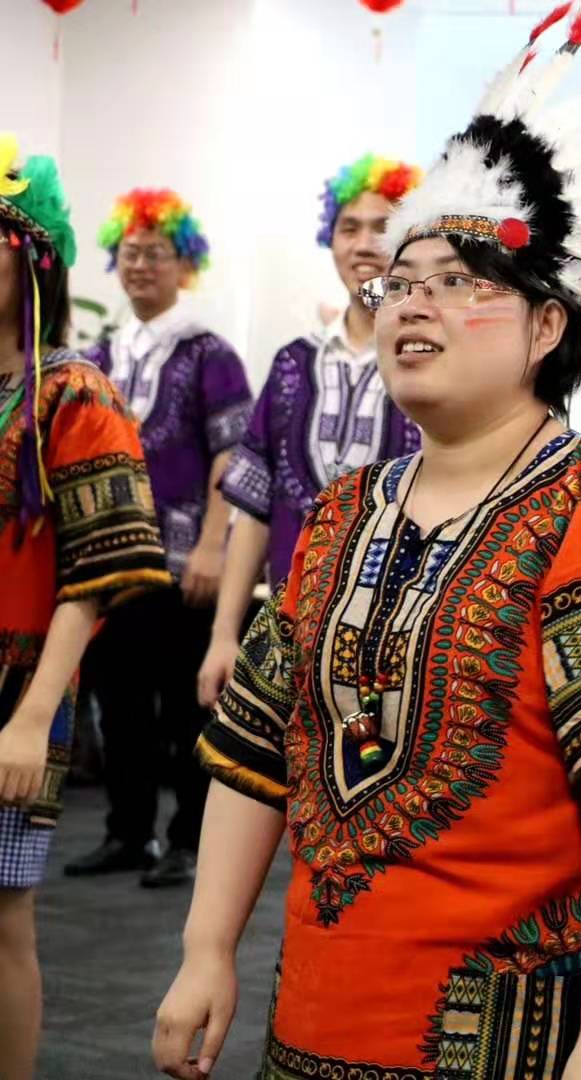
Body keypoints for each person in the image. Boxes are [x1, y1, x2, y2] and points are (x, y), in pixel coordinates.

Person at [152, 11, 581, 1079]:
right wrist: (205, 950)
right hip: (321, 1017)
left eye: (460, 281)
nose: (412, 302)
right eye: (400, 281)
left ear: (546, 327)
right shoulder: (343, 516)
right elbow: (255, 751)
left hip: (521, 1037)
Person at [0, 135, 168, 1080]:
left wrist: (31, 719)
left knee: (1, 917)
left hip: (17, 686)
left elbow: (97, 571)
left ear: (33, 259)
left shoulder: (72, 392)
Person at [66, 188, 252, 889]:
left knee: (184, 707)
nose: (141, 265)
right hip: (110, 562)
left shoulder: (210, 353)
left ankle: (187, 840)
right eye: (130, 253)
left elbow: (229, 453)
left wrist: (212, 543)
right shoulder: (96, 353)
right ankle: (127, 830)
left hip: (183, 562)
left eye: (157, 253)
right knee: (117, 703)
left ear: (185, 263)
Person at [198, 154, 422, 709]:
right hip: (288, 634)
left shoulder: (429, 359)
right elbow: (254, 506)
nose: (364, 244)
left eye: (384, 228)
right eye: (349, 228)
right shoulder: (294, 362)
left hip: (404, 645)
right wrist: (225, 635)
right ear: (331, 241)